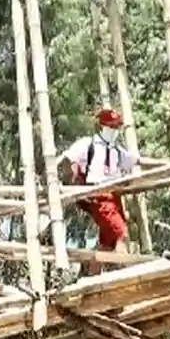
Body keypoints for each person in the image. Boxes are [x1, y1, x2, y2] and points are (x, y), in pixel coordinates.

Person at [61, 108, 140, 276]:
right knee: (121, 233)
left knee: (108, 241)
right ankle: (126, 275)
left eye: (116, 128)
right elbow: (68, 160)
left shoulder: (118, 151)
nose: (114, 131)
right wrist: (71, 178)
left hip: (114, 196)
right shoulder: (87, 145)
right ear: (102, 127)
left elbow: (136, 161)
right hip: (98, 195)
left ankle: (91, 275)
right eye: (111, 127)